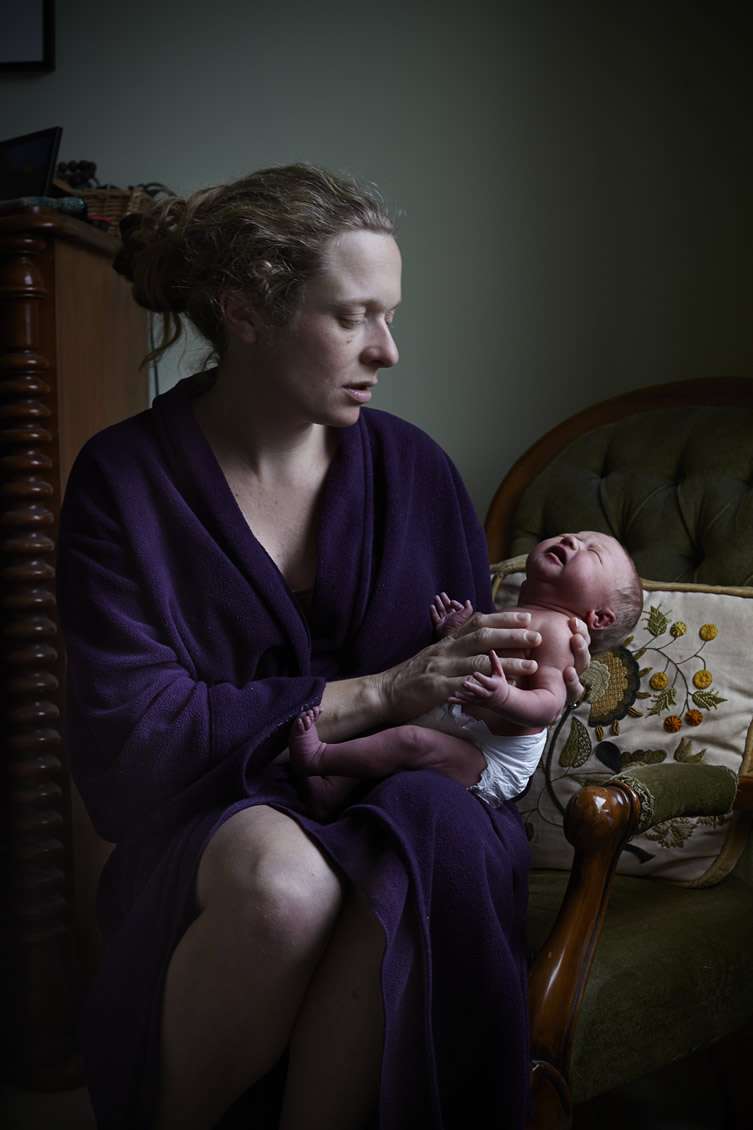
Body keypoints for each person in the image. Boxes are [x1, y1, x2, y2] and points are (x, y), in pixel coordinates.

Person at [57, 164, 591, 1130]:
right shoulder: (123, 479)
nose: (387, 350)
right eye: (353, 318)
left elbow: (467, 708)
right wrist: (376, 692)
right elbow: (130, 739)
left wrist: (533, 679)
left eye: (389, 315)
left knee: (411, 852)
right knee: (285, 885)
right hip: (211, 811)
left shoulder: (416, 470)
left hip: (413, 798)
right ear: (244, 312)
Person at [290, 532, 642, 816]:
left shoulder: (561, 633)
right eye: (574, 535)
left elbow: (548, 706)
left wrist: (503, 696)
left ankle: (319, 758)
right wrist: (456, 632)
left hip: (492, 757)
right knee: (398, 731)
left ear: (599, 618)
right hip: (466, 726)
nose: (571, 540)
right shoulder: (521, 611)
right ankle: (332, 790)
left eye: (591, 552)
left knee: (411, 741)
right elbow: (483, 653)